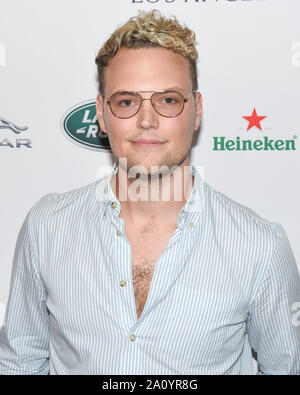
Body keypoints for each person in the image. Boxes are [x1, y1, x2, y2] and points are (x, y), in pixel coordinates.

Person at [0, 9, 299, 375]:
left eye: (168, 100)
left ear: (197, 111)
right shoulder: (47, 228)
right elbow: (19, 363)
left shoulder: (261, 246)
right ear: (101, 114)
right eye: (126, 101)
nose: (146, 120)